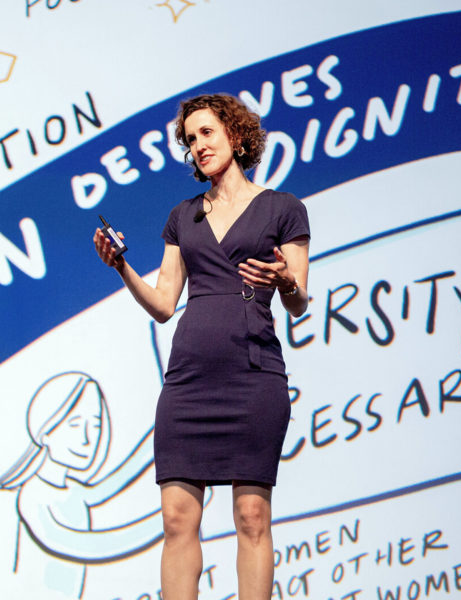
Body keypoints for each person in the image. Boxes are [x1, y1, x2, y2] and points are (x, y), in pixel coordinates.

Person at [93, 94, 310, 599]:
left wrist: (283, 280)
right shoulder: (182, 217)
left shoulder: (282, 208)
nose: (199, 145)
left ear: (235, 135)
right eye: (191, 139)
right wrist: (122, 267)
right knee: (175, 520)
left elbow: (299, 300)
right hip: (189, 383)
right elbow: (165, 302)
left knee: (251, 515)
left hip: (254, 377)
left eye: (207, 133)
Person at [0, 371, 162, 598]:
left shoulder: (72, 489)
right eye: (74, 424)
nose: (86, 439)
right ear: (46, 432)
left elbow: (116, 482)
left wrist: (165, 432)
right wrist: (170, 520)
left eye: (95, 425)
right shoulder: (33, 496)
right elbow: (89, 546)